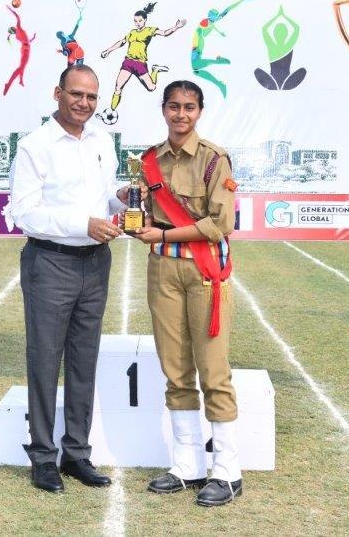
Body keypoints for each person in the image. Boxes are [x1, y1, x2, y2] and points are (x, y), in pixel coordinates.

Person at [7, 64, 132, 494]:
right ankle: (43, 457)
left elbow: (105, 195)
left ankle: (76, 452)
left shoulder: (101, 139)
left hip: (95, 262)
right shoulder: (34, 146)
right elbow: (23, 213)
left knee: (84, 359)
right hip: (51, 263)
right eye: (76, 94)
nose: (84, 103)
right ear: (57, 93)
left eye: (92, 96)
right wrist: (83, 224)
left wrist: (122, 199)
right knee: (45, 359)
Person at [129, 80, 242, 507]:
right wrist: (135, 210)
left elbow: (220, 224)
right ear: (163, 109)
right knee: (175, 370)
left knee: (213, 370)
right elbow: (144, 211)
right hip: (163, 270)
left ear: (199, 111)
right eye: (174, 106)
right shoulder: (149, 160)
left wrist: (162, 234)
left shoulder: (214, 159)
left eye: (189, 107)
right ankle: (187, 465)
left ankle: (228, 472)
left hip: (203, 271)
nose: (181, 114)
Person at [97, 2, 186, 124]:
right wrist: (108, 50)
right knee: (118, 87)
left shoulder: (149, 30)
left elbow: (164, 33)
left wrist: (176, 27)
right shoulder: (132, 32)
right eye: (135, 21)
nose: (137, 23)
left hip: (140, 64)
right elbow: (122, 42)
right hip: (128, 62)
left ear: (145, 20)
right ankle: (110, 110)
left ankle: (155, 70)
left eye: (139, 20)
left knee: (151, 88)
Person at [190, 0, 254, 97]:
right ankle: (220, 83)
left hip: (198, 43)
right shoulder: (207, 21)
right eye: (212, 16)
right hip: (198, 42)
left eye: (214, 16)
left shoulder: (210, 21)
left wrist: (242, 0)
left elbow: (227, 10)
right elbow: (204, 28)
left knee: (195, 66)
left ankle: (220, 62)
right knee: (196, 70)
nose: (213, 18)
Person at [254, 6, 307, 91]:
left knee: (302, 71)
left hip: (283, 80)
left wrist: (280, 16)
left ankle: (278, 85)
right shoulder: (284, 46)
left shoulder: (275, 46)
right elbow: (296, 28)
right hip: (275, 80)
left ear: (286, 34)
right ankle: (279, 85)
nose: (280, 34)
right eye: (279, 32)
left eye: (282, 32)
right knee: (257, 71)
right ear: (275, 34)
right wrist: (281, 16)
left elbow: (297, 28)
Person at [4, 5, 36, 96]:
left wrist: (33, 38)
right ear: (13, 30)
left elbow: (26, 40)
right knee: (21, 67)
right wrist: (11, 10)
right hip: (25, 49)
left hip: (26, 49)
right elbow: (17, 17)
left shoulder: (18, 34)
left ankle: (20, 80)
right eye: (12, 28)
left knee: (22, 66)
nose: (14, 27)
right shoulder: (18, 30)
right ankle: (9, 83)